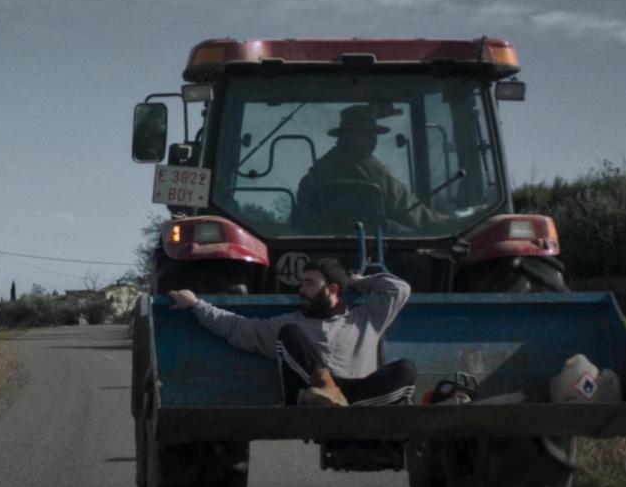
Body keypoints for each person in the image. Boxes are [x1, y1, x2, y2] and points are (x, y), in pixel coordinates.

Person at [169, 258, 416, 407]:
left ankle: (345, 404)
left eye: (309, 283)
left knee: (406, 369)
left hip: (358, 392)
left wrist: (358, 281)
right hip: (313, 396)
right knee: (289, 333)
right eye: (302, 282)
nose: (301, 289)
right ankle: (326, 394)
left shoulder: (365, 317)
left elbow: (400, 289)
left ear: (332, 288)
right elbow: (237, 327)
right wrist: (197, 305)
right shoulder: (289, 323)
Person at [296, 105, 443, 232]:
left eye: (374, 133)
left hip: (326, 243)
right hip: (372, 243)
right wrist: (445, 224)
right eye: (365, 132)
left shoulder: (320, 167)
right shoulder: (371, 168)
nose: (373, 138)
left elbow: (301, 215)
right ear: (347, 134)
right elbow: (409, 209)